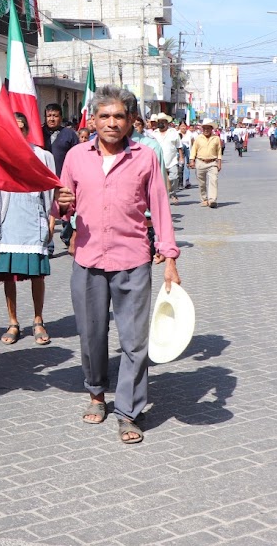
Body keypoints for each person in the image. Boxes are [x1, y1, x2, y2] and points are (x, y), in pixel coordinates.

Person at [53, 86, 181, 445]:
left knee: (134, 342)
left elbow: (161, 207)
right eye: (104, 116)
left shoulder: (144, 158)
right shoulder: (76, 157)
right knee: (91, 336)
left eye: (119, 117)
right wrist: (61, 204)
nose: (111, 123)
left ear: (130, 122)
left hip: (133, 259)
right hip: (89, 260)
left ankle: (128, 412)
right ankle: (96, 391)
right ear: (92, 120)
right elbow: (62, 208)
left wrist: (169, 255)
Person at [0, 112, 55, 348]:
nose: (18, 132)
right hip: (7, 223)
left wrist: (51, 217)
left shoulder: (43, 156)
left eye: (22, 127)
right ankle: (13, 322)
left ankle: (38, 320)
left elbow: (52, 189)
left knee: (37, 274)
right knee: (9, 277)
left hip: (33, 220)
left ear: (27, 130)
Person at [190, 119, 223, 208]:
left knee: (214, 180)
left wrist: (219, 163)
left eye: (208, 128)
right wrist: (192, 160)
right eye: (204, 128)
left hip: (212, 163)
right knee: (202, 183)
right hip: (200, 162)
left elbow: (219, 151)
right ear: (202, 129)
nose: (206, 130)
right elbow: (194, 150)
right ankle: (204, 199)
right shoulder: (198, 138)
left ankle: (212, 200)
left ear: (211, 129)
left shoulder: (216, 138)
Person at [151, 114, 182, 198]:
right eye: (159, 122)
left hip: (172, 160)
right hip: (158, 160)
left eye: (163, 122)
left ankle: (172, 190)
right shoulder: (154, 134)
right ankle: (167, 194)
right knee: (161, 180)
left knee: (174, 177)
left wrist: (181, 158)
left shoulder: (173, 132)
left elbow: (179, 146)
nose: (161, 123)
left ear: (167, 122)